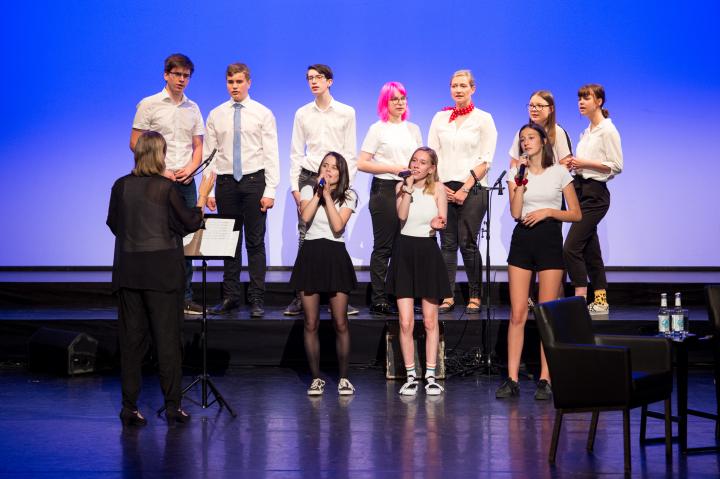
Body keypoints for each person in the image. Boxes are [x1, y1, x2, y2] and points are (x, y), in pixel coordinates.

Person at [107, 131, 215, 426]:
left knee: (131, 343)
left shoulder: (121, 186)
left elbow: (114, 224)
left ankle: (129, 407)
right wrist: (203, 195)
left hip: (130, 273)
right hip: (163, 276)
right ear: (160, 156)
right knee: (167, 342)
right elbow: (190, 222)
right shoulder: (166, 188)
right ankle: (173, 407)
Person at [495, 123, 581, 400]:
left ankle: (546, 377)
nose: (526, 143)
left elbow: (576, 214)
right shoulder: (515, 173)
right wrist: (519, 181)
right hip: (523, 240)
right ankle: (511, 378)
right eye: (522, 139)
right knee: (518, 312)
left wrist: (548, 211)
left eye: (530, 138)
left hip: (549, 241)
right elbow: (516, 212)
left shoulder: (559, 173)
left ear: (543, 142)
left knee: (545, 313)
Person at [130, 53, 205, 315]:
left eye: (186, 76)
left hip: (184, 180)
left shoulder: (192, 108)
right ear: (166, 74)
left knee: (187, 240)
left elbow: (198, 147)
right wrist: (160, 171)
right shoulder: (149, 104)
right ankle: (157, 296)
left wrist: (191, 168)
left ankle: (185, 296)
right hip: (155, 181)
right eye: (177, 75)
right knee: (158, 237)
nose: (182, 80)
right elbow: (135, 142)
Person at [203, 63, 280, 318]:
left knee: (255, 242)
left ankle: (257, 298)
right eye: (230, 82)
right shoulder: (216, 114)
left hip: (254, 181)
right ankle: (230, 297)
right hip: (226, 183)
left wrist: (270, 189)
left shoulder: (262, 113)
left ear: (248, 82)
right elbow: (210, 155)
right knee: (229, 243)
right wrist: (209, 191)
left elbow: (271, 153)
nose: (234, 86)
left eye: (238, 82)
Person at [285, 64, 359, 317]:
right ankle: (301, 295)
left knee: (335, 229)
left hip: (338, 176)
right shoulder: (302, 113)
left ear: (330, 81)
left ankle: (338, 294)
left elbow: (350, 152)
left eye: (318, 78)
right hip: (310, 175)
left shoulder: (346, 112)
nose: (313, 82)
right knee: (305, 233)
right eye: (309, 78)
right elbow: (296, 153)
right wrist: (296, 189)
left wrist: (346, 185)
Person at [428, 70, 497, 314]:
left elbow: (486, 159)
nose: (458, 90)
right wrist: (439, 186)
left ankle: (475, 295)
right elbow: (431, 156)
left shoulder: (484, 118)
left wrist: (466, 188)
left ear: (472, 89)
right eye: (454, 86)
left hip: (474, 187)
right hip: (444, 185)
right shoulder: (440, 118)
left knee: (468, 243)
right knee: (447, 243)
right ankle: (447, 295)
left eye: (463, 86)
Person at [289, 152, 358, 396]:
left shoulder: (349, 195)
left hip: (335, 257)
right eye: (325, 166)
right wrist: (318, 194)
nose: (328, 171)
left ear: (341, 173)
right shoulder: (309, 191)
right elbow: (304, 220)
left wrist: (328, 196)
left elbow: (338, 227)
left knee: (340, 321)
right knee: (311, 322)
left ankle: (344, 378)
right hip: (311, 255)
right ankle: (316, 378)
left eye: (334, 168)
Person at [386, 147, 450, 396]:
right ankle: (411, 376)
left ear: (431, 168)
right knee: (405, 321)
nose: (416, 165)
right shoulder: (402, 187)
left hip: (427, 251)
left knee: (431, 320)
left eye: (422, 162)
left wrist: (438, 223)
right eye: (414, 160)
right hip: (404, 251)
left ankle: (431, 376)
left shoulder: (439, 189)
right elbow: (401, 215)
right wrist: (408, 187)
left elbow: (442, 219)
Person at [357, 81, 422, 315]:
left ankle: (402, 296)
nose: (399, 102)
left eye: (403, 98)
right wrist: (394, 169)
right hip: (384, 188)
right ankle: (379, 297)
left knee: (405, 245)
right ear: (385, 102)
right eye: (394, 99)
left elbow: (419, 160)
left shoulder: (413, 128)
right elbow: (362, 162)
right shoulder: (378, 128)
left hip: (409, 188)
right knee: (384, 246)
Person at [508, 90, 573, 306]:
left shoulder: (558, 133)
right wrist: (520, 178)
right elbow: (514, 162)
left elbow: (565, 162)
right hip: (526, 189)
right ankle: (530, 296)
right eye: (531, 105)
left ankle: (555, 300)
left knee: (550, 256)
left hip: (551, 193)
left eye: (539, 105)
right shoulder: (523, 133)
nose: (534, 109)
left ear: (550, 109)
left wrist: (546, 175)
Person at [563, 84, 623, 314]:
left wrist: (584, 163)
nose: (581, 102)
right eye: (579, 98)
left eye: (586, 98)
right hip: (581, 189)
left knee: (571, 248)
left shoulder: (608, 130)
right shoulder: (587, 131)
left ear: (598, 101)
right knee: (590, 248)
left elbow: (616, 166)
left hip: (595, 194)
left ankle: (580, 297)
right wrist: (574, 165)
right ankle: (600, 298)